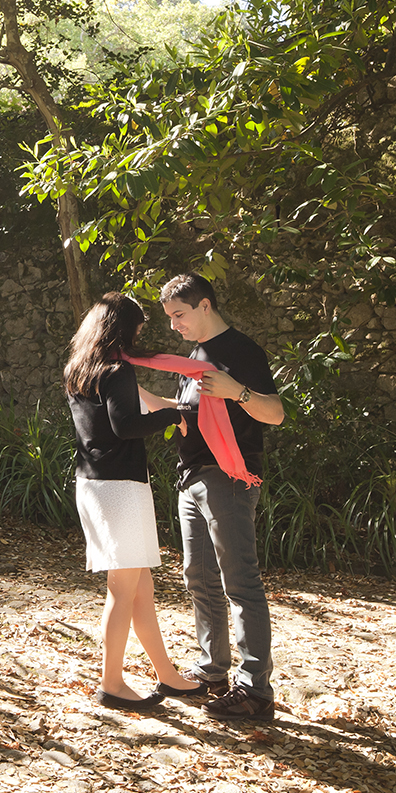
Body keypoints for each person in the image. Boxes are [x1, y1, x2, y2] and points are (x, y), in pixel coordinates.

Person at [150, 273, 284, 724]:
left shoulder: (243, 352)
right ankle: (213, 672)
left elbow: (275, 413)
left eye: (179, 315)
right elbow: (190, 416)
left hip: (230, 478)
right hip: (192, 479)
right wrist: (144, 398)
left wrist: (237, 392)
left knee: (240, 583)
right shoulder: (196, 356)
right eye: (169, 318)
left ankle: (255, 691)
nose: (174, 325)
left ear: (205, 306)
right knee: (199, 579)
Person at [65, 292, 205, 712]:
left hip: (96, 486)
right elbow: (125, 427)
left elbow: (112, 422)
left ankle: (167, 675)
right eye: (138, 330)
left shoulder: (80, 370)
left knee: (140, 590)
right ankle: (111, 683)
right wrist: (174, 415)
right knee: (123, 591)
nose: (139, 338)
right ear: (123, 330)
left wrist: (160, 405)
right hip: (119, 489)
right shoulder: (117, 369)